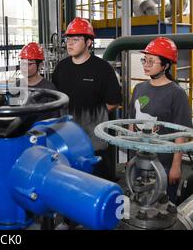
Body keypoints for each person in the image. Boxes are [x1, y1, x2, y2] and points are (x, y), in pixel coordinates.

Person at [52, 17, 122, 180]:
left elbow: (114, 102)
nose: (69, 43)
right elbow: (56, 99)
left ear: (89, 42)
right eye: (68, 39)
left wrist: (90, 118)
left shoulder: (103, 69)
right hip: (65, 141)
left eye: (75, 40)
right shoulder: (61, 68)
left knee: (95, 181)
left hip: (93, 143)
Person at [129, 37, 192, 203]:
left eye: (151, 61)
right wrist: (131, 155)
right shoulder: (139, 88)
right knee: (139, 203)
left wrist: (176, 166)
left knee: (162, 208)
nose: (146, 64)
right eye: (145, 60)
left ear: (165, 65)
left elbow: (181, 133)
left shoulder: (176, 93)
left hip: (163, 164)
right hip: (139, 158)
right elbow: (131, 123)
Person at [16, 42, 60, 120]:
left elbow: (55, 119)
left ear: (40, 65)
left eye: (29, 64)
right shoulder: (17, 85)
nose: (24, 67)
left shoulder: (49, 89)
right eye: (22, 63)